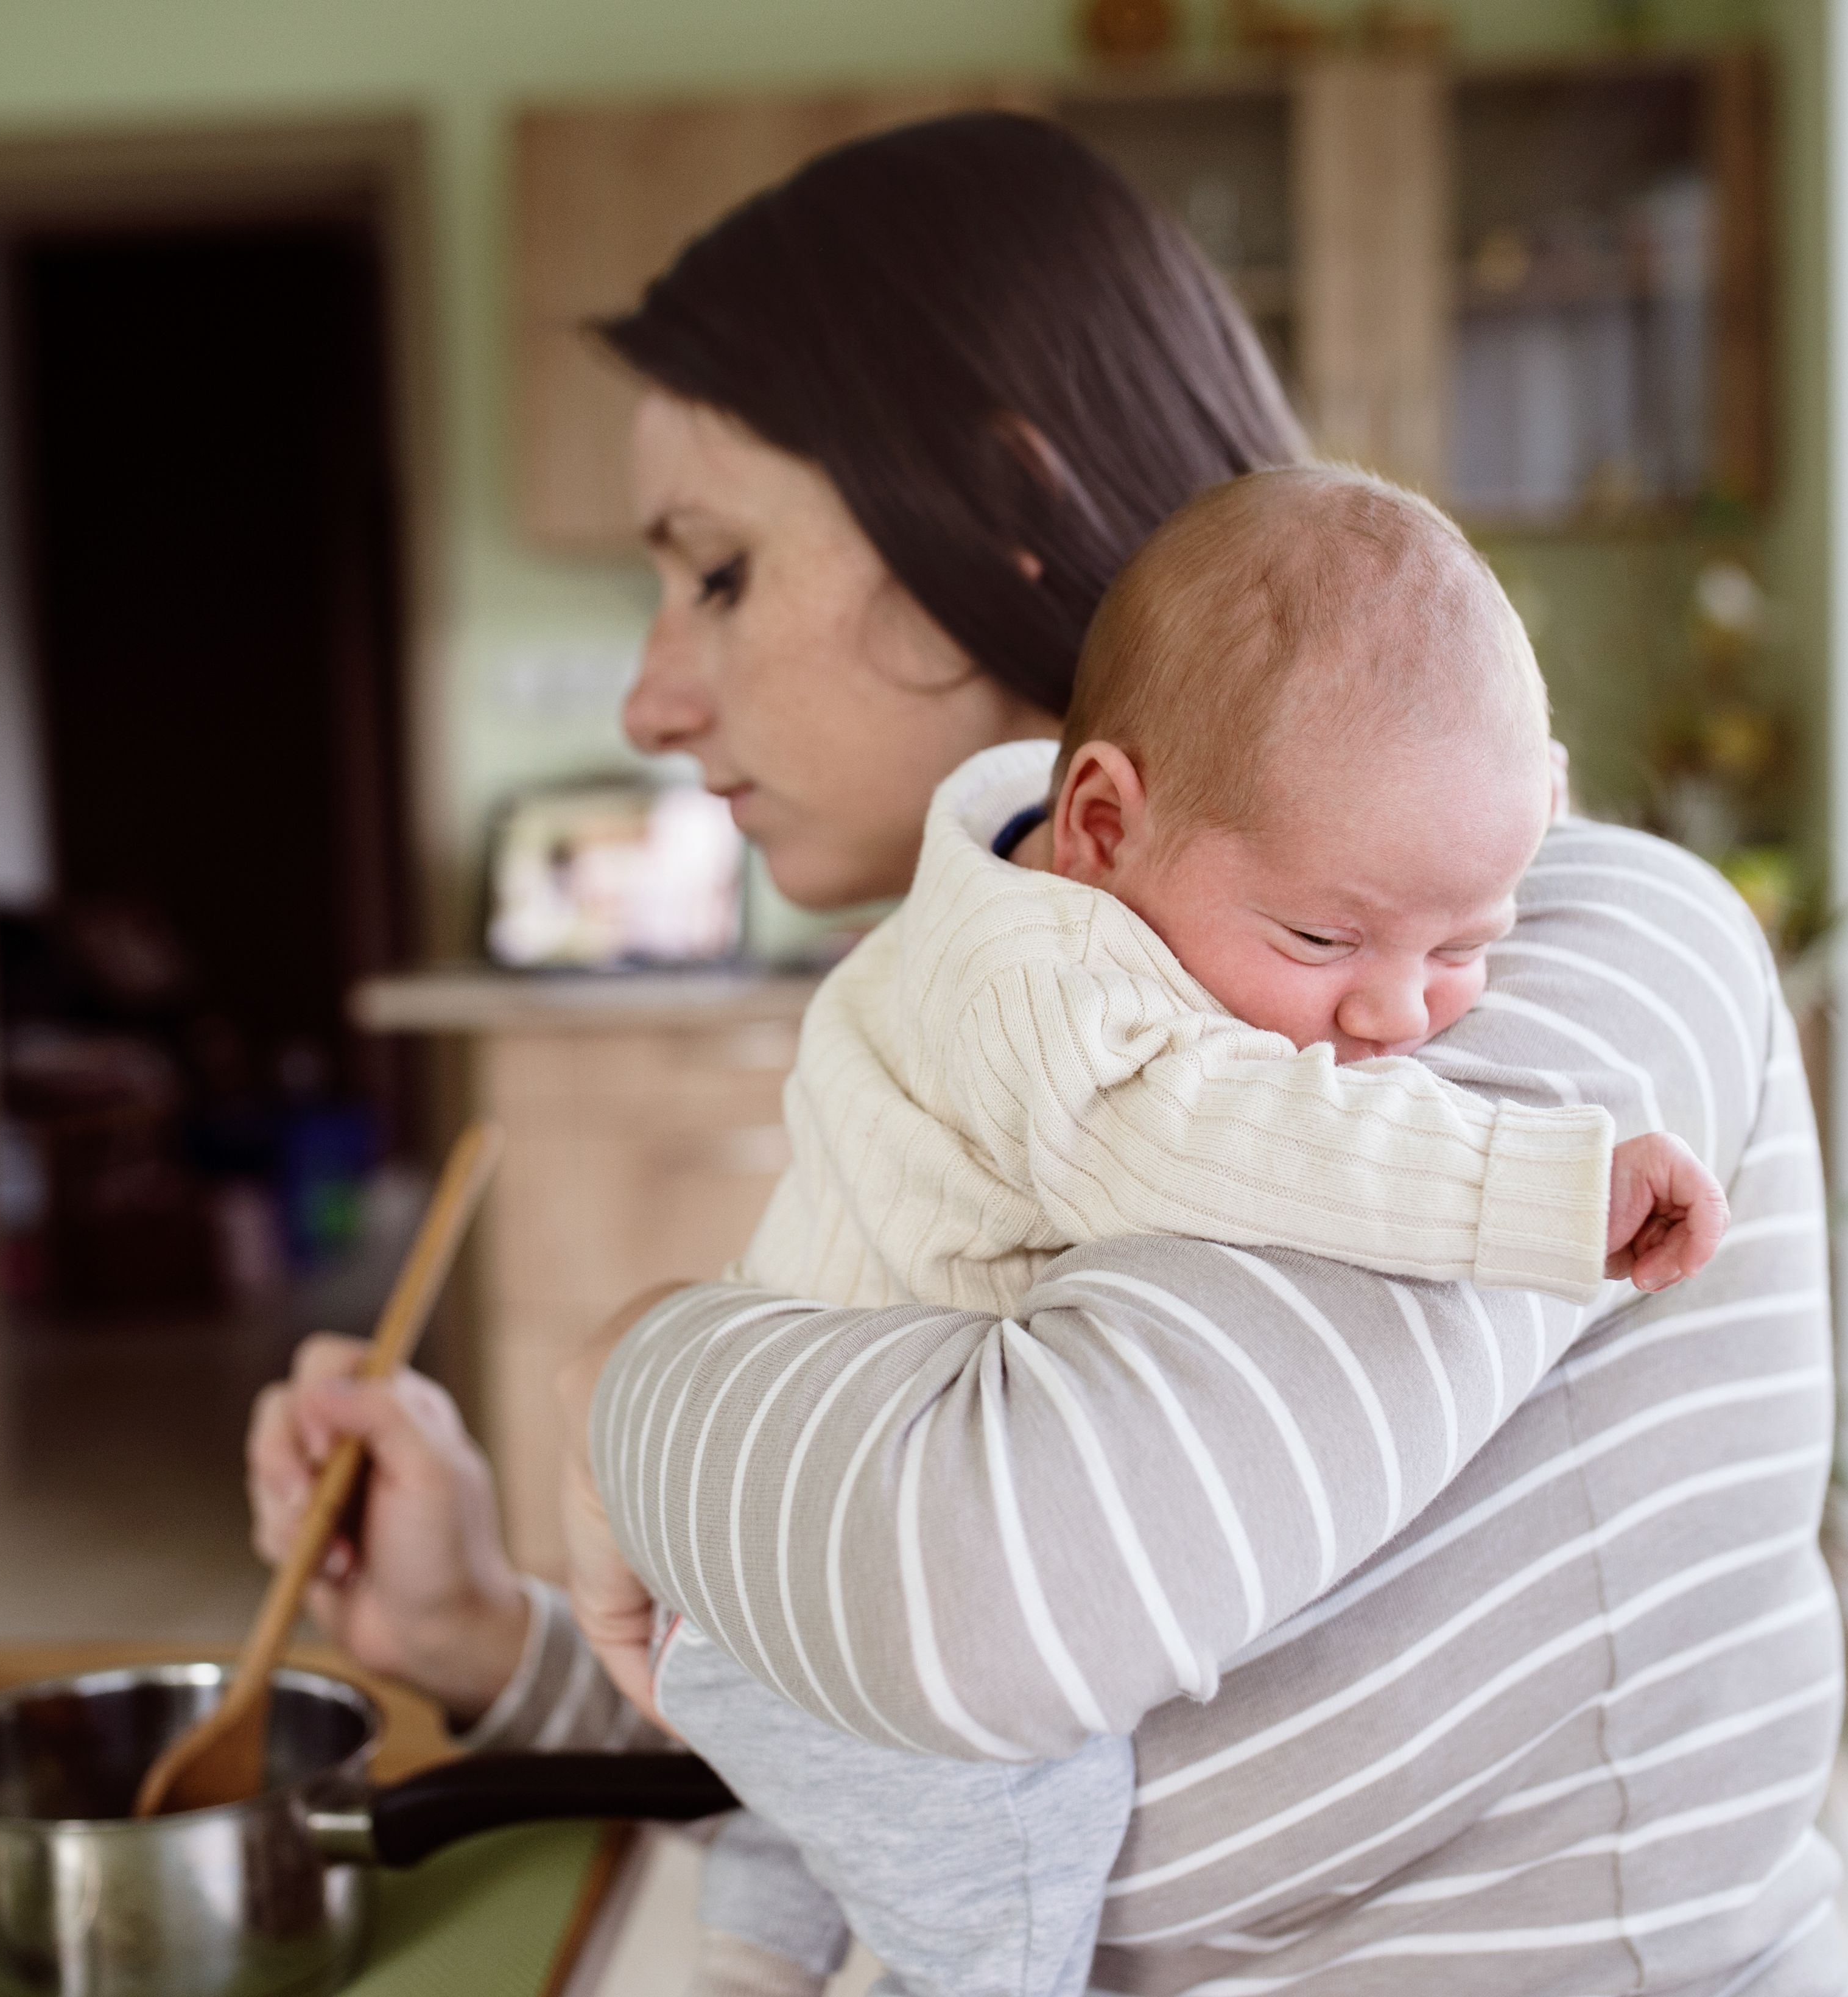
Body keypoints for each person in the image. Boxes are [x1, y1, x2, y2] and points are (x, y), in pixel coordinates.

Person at [248, 113, 1848, 1997]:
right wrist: (482, 1635)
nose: (650, 695)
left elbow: (995, 1603)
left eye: (719, 573)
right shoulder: (995, 1030)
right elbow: (931, 1799)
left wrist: (628, 1381)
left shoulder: (1572, 968)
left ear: (994, 508)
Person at [664, 464, 1734, 1997]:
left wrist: (1477, 864)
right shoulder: (1053, 999)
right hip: (846, 1585)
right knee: (1017, 1841)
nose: (1392, 1012)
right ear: (1102, 817)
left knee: (810, 1817)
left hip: (770, 1576)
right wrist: (1541, 1184)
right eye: (1321, 937)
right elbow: (1221, 1128)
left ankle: (746, 1952)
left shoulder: (1145, 871)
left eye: (1465, 945)